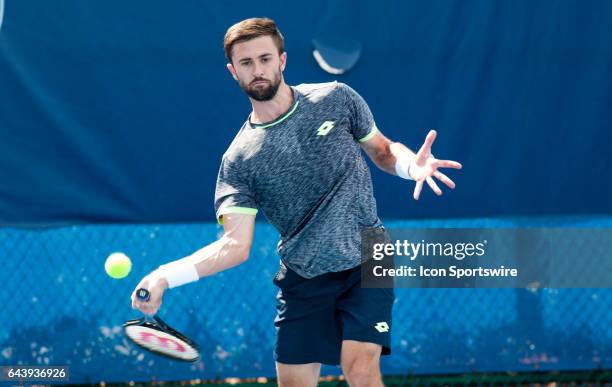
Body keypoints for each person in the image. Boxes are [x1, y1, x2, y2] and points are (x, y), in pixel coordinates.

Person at [131, 17, 462, 387]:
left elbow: (382, 150)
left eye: (265, 59)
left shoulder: (337, 98)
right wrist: (164, 275)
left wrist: (409, 166)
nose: (258, 70)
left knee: (361, 367)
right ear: (233, 72)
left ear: (282, 61)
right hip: (303, 275)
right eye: (246, 63)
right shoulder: (239, 160)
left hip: (370, 253)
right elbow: (234, 245)